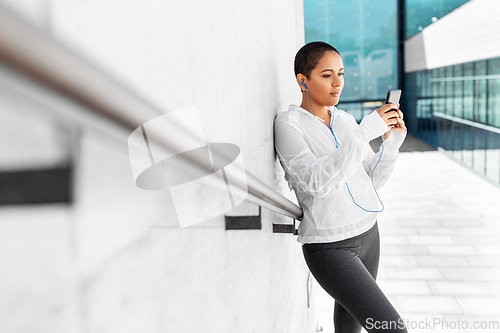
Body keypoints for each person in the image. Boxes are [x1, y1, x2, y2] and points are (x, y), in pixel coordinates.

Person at [274, 41, 408, 333]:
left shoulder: (346, 120)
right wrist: (364, 133)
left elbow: (370, 181)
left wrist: (391, 145)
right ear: (303, 80)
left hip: (369, 232)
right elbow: (316, 184)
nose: (337, 83)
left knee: (349, 325)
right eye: (326, 75)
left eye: (341, 73)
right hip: (331, 246)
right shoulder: (289, 125)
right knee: (392, 328)